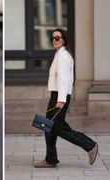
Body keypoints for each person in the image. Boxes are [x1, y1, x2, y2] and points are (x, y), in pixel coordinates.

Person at [34, 29, 98, 168]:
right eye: (52, 38)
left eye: (57, 38)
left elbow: (65, 79)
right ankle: (50, 159)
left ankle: (89, 145)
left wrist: (61, 99)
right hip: (57, 95)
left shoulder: (63, 56)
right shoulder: (60, 54)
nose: (54, 40)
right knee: (49, 127)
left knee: (57, 128)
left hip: (59, 95)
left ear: (64, 39)